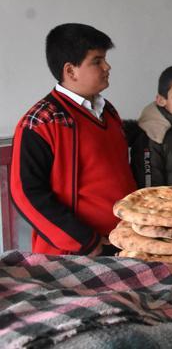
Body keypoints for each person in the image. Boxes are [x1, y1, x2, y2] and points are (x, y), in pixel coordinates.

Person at [10, 23, 136, 256]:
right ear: (70, 71)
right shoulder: (40, 123)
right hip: (78, 252)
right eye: (97, 61)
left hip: (123, 241)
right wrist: (85, 241)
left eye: (105, 59)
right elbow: (27, 194)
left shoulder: (107, 110)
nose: (107, 66)